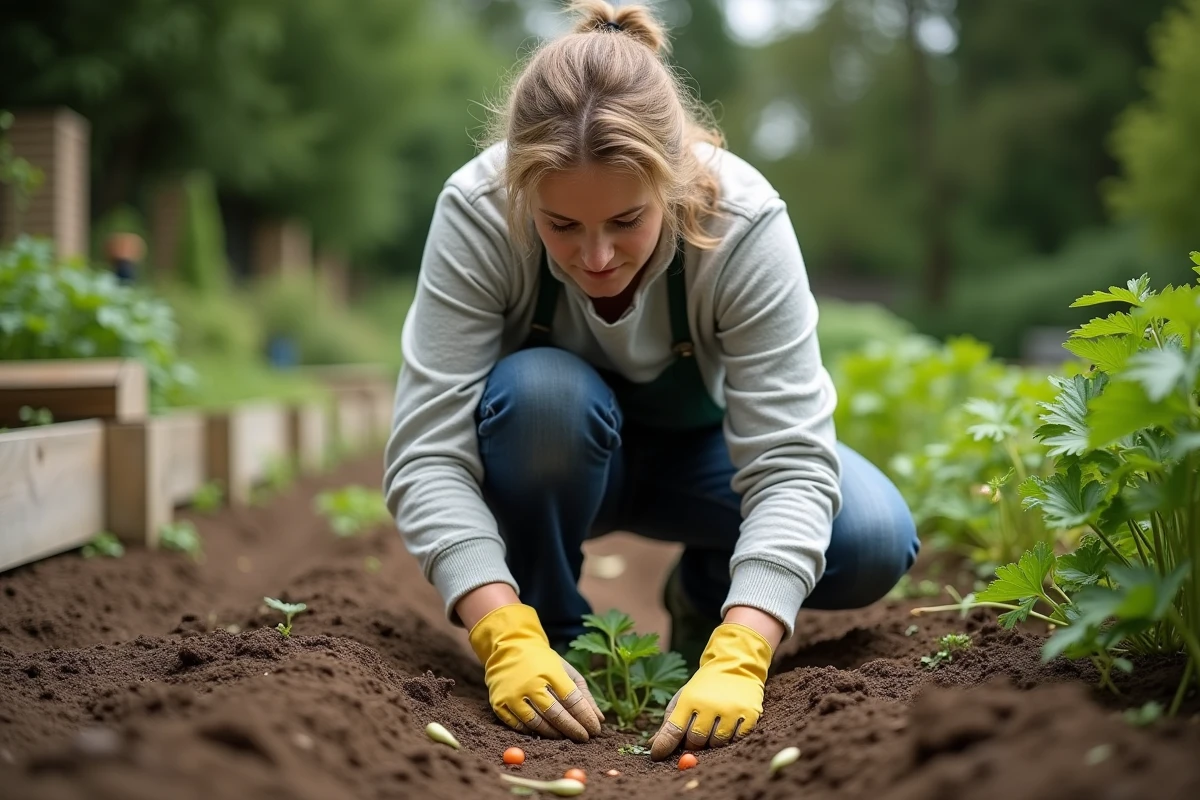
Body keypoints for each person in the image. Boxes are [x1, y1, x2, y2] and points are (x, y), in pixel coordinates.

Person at [384, 0, 919, 761]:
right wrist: (501, 631)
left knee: (869, 537)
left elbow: (792, 463)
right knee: (543, 397)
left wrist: (745, 649)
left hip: (699, 465)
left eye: (627, 220)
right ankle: (559, 642)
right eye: (562, 226)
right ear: (523, 192)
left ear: (671, 183)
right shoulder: (478, 211)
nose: (596, 257)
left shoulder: (743, 223)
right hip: (549, 463)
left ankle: (706, 600)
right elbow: (426, 454)